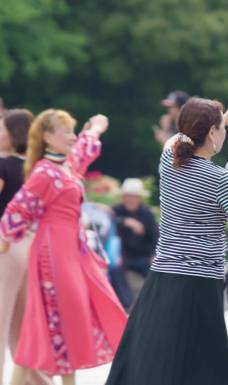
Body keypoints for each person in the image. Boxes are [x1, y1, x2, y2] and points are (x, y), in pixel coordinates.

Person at [105, 97, 228, 385]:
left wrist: (221, 118)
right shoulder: (219, 180)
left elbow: (188, 135)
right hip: (199, 283)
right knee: (200, 366)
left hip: (161, 278)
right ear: (213, 133)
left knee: (155, 359)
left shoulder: (170, 157)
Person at [0, 110, 127, 385]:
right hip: (52, 254)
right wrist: (5, 240)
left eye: (72, 131)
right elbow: (19, 208)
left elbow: (84, 147)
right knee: (57, 322)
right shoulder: (44, 172)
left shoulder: (67, 164)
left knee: (64, 322)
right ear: (46, 137)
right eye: (66, 131)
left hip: (72, 251)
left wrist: (95, 129)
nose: (72, 136)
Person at [0, 109, 54, 385]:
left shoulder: (4, 165)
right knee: (22, 326)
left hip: (5, 245)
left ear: (12, 135)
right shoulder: (38, 166)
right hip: (32, 244)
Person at [112, 178, 159, 296]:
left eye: (134, 197)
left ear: (140, 198)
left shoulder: (146, 213)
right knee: (114, 270)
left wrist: (154, 255)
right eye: (128, 196)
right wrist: (125, 221)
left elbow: (155, 236)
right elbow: (106, 221)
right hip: (122, 256)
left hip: (143, 257)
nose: (131, 200)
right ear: (123, 197)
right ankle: (128, 305)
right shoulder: (116, 211)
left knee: (156, 273)